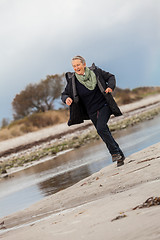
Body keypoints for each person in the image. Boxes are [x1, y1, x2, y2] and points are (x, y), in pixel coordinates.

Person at [61, 56, 125, 167]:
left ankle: (114, 153)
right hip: (91, 111)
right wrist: (66, 99)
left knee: (101, 128)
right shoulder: (73, 81)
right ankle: (120, 155)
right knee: (104, 131)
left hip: (104, 105)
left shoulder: (96, 72)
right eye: (74, 66)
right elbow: (64, 94)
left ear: (84, 64)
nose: (76, 68)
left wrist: (110, 87)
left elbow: (111, 77)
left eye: (78, 65)